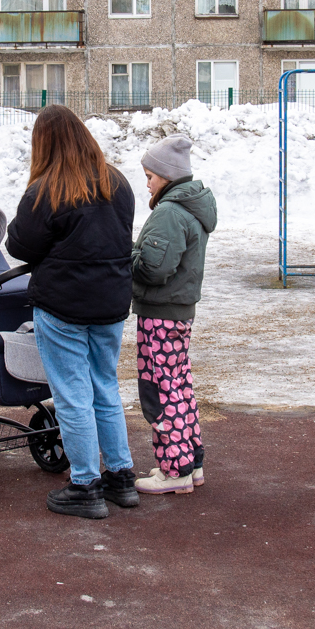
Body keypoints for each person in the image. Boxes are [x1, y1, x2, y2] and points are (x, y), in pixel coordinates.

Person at [6, 105, 138, 520]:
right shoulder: (117, 183)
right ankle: (120, 477)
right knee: (105, 387)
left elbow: (20, 247)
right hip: (111, 303)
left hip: (63, 305)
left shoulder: (46, 189)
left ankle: (84, 484)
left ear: (43, 143)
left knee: (72, 395)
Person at [131, 135, 216, 495]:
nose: (147, 182)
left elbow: (152, 270)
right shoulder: (190, 209)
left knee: (159, 390)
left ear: (166, 175)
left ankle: (173, 470)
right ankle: (189, 462)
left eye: (150, 175)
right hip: (179, 313)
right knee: (178, 387)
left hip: (159, 315)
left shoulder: (168, 213)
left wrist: (128, 254)